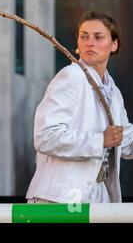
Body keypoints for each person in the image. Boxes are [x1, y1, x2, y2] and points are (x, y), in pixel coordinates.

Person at [26, 11, 133, 203]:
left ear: (114, 45)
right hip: (59, 198)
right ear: (77, 44)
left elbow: (124, 141)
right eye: (84, 36)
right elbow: (45, 137)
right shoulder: (71, 76)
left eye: (98, 37)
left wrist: (112, 139)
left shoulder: (113, 92)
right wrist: (100, 141)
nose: (90, 42)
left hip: (96, 197)